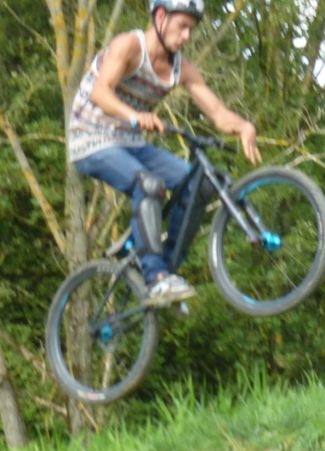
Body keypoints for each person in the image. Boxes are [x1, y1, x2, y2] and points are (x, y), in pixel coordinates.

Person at [67, 0, 262, 305]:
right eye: (182, 27)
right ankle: (155, 276)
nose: (186, 36)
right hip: (90, 139)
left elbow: (218, 114)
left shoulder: (182, 68)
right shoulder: (129, 46)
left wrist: (244, 126)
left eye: (191, 30)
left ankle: (163, 271)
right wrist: (135, 115)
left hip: (131, 144)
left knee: (201, 184)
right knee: (149, 185)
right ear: (160, 16)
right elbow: (100, 91)